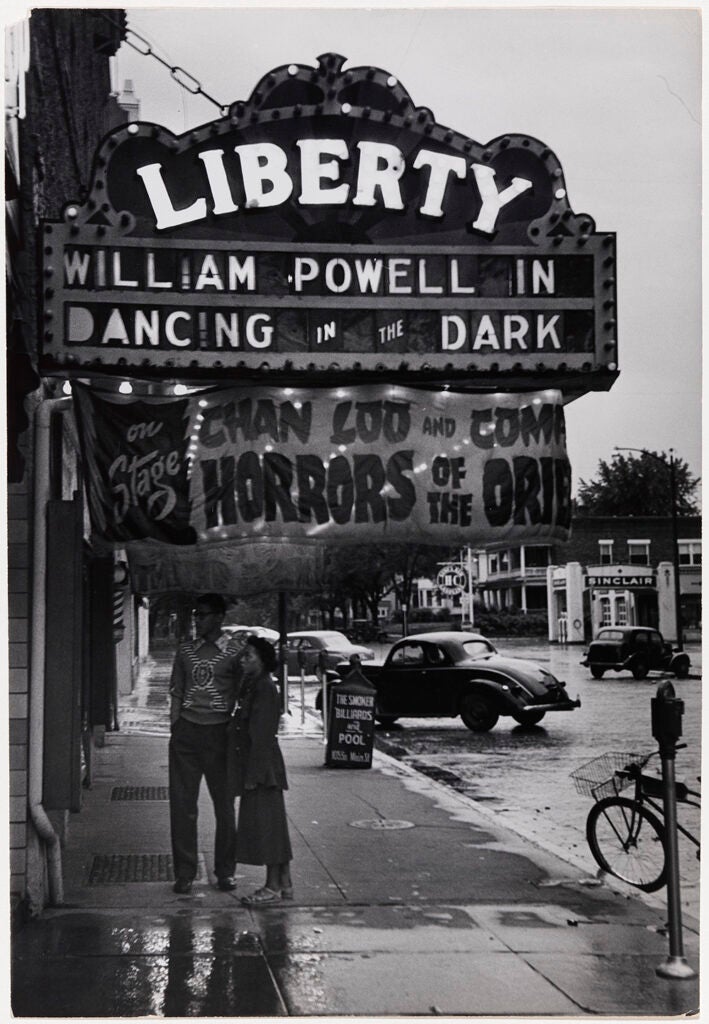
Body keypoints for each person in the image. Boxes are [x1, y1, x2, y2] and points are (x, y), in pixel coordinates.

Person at [168, 593, 242, 894]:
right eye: (196, 614)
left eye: (203, 614)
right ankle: (184, 873)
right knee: (183, 805)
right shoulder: (186, 650)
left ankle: (225, 871)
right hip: (187, 732)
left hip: (220, 734)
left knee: (224, 806)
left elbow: (243, 690)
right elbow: (176, 689)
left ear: (220, 618)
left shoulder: (235, 651)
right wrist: (176, 725)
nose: (197, 619)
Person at [228, 635, 293, 904]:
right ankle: (284, 882)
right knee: (273, 826)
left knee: (267, 828)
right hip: (260, 766)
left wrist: (254, 775)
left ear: (263, 661)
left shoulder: (264, 688)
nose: (243, 659)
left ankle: (272, 886)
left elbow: (262, 735)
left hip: (262, 768)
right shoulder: (253, 685)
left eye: (249, 656)